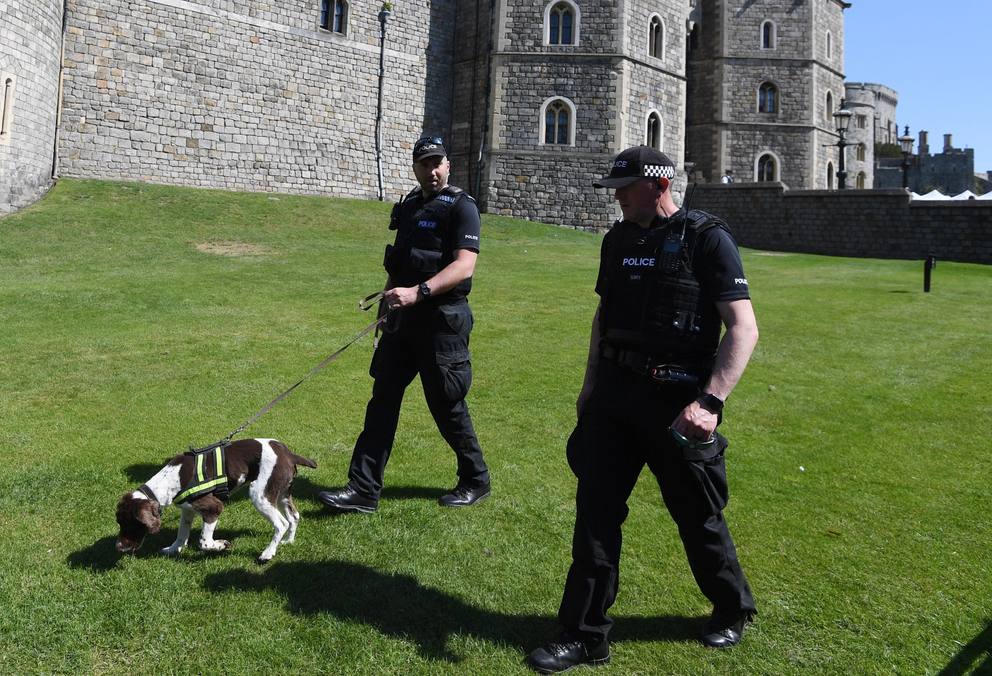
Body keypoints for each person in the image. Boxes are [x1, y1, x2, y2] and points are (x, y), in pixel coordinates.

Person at [527, 146, 759, 672]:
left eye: (624, 188)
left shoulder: (706, 239)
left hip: (677, 403)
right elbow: (603, 313)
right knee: (595, 515)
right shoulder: (618, 240)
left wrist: (710, 402)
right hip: (614, 394)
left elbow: (743, 327)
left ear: (658, 185)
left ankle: (731, 607)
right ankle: (583, 634)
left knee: (696, 514)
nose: (616, 198)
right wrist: (589, 388)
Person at [318, 135, 491, 513]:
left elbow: (464, 265)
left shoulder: (462, 207)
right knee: (382, 400)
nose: (432, 170)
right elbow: (398, 264)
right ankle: (363, 489)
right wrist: (387, 303)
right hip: (403, 321)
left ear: (448, 165)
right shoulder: (410, 205)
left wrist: (419, 292)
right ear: (414, 167)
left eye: (437, 162)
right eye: (424, 164)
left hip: (442, 321)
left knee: (447, 405)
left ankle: (476, 478)